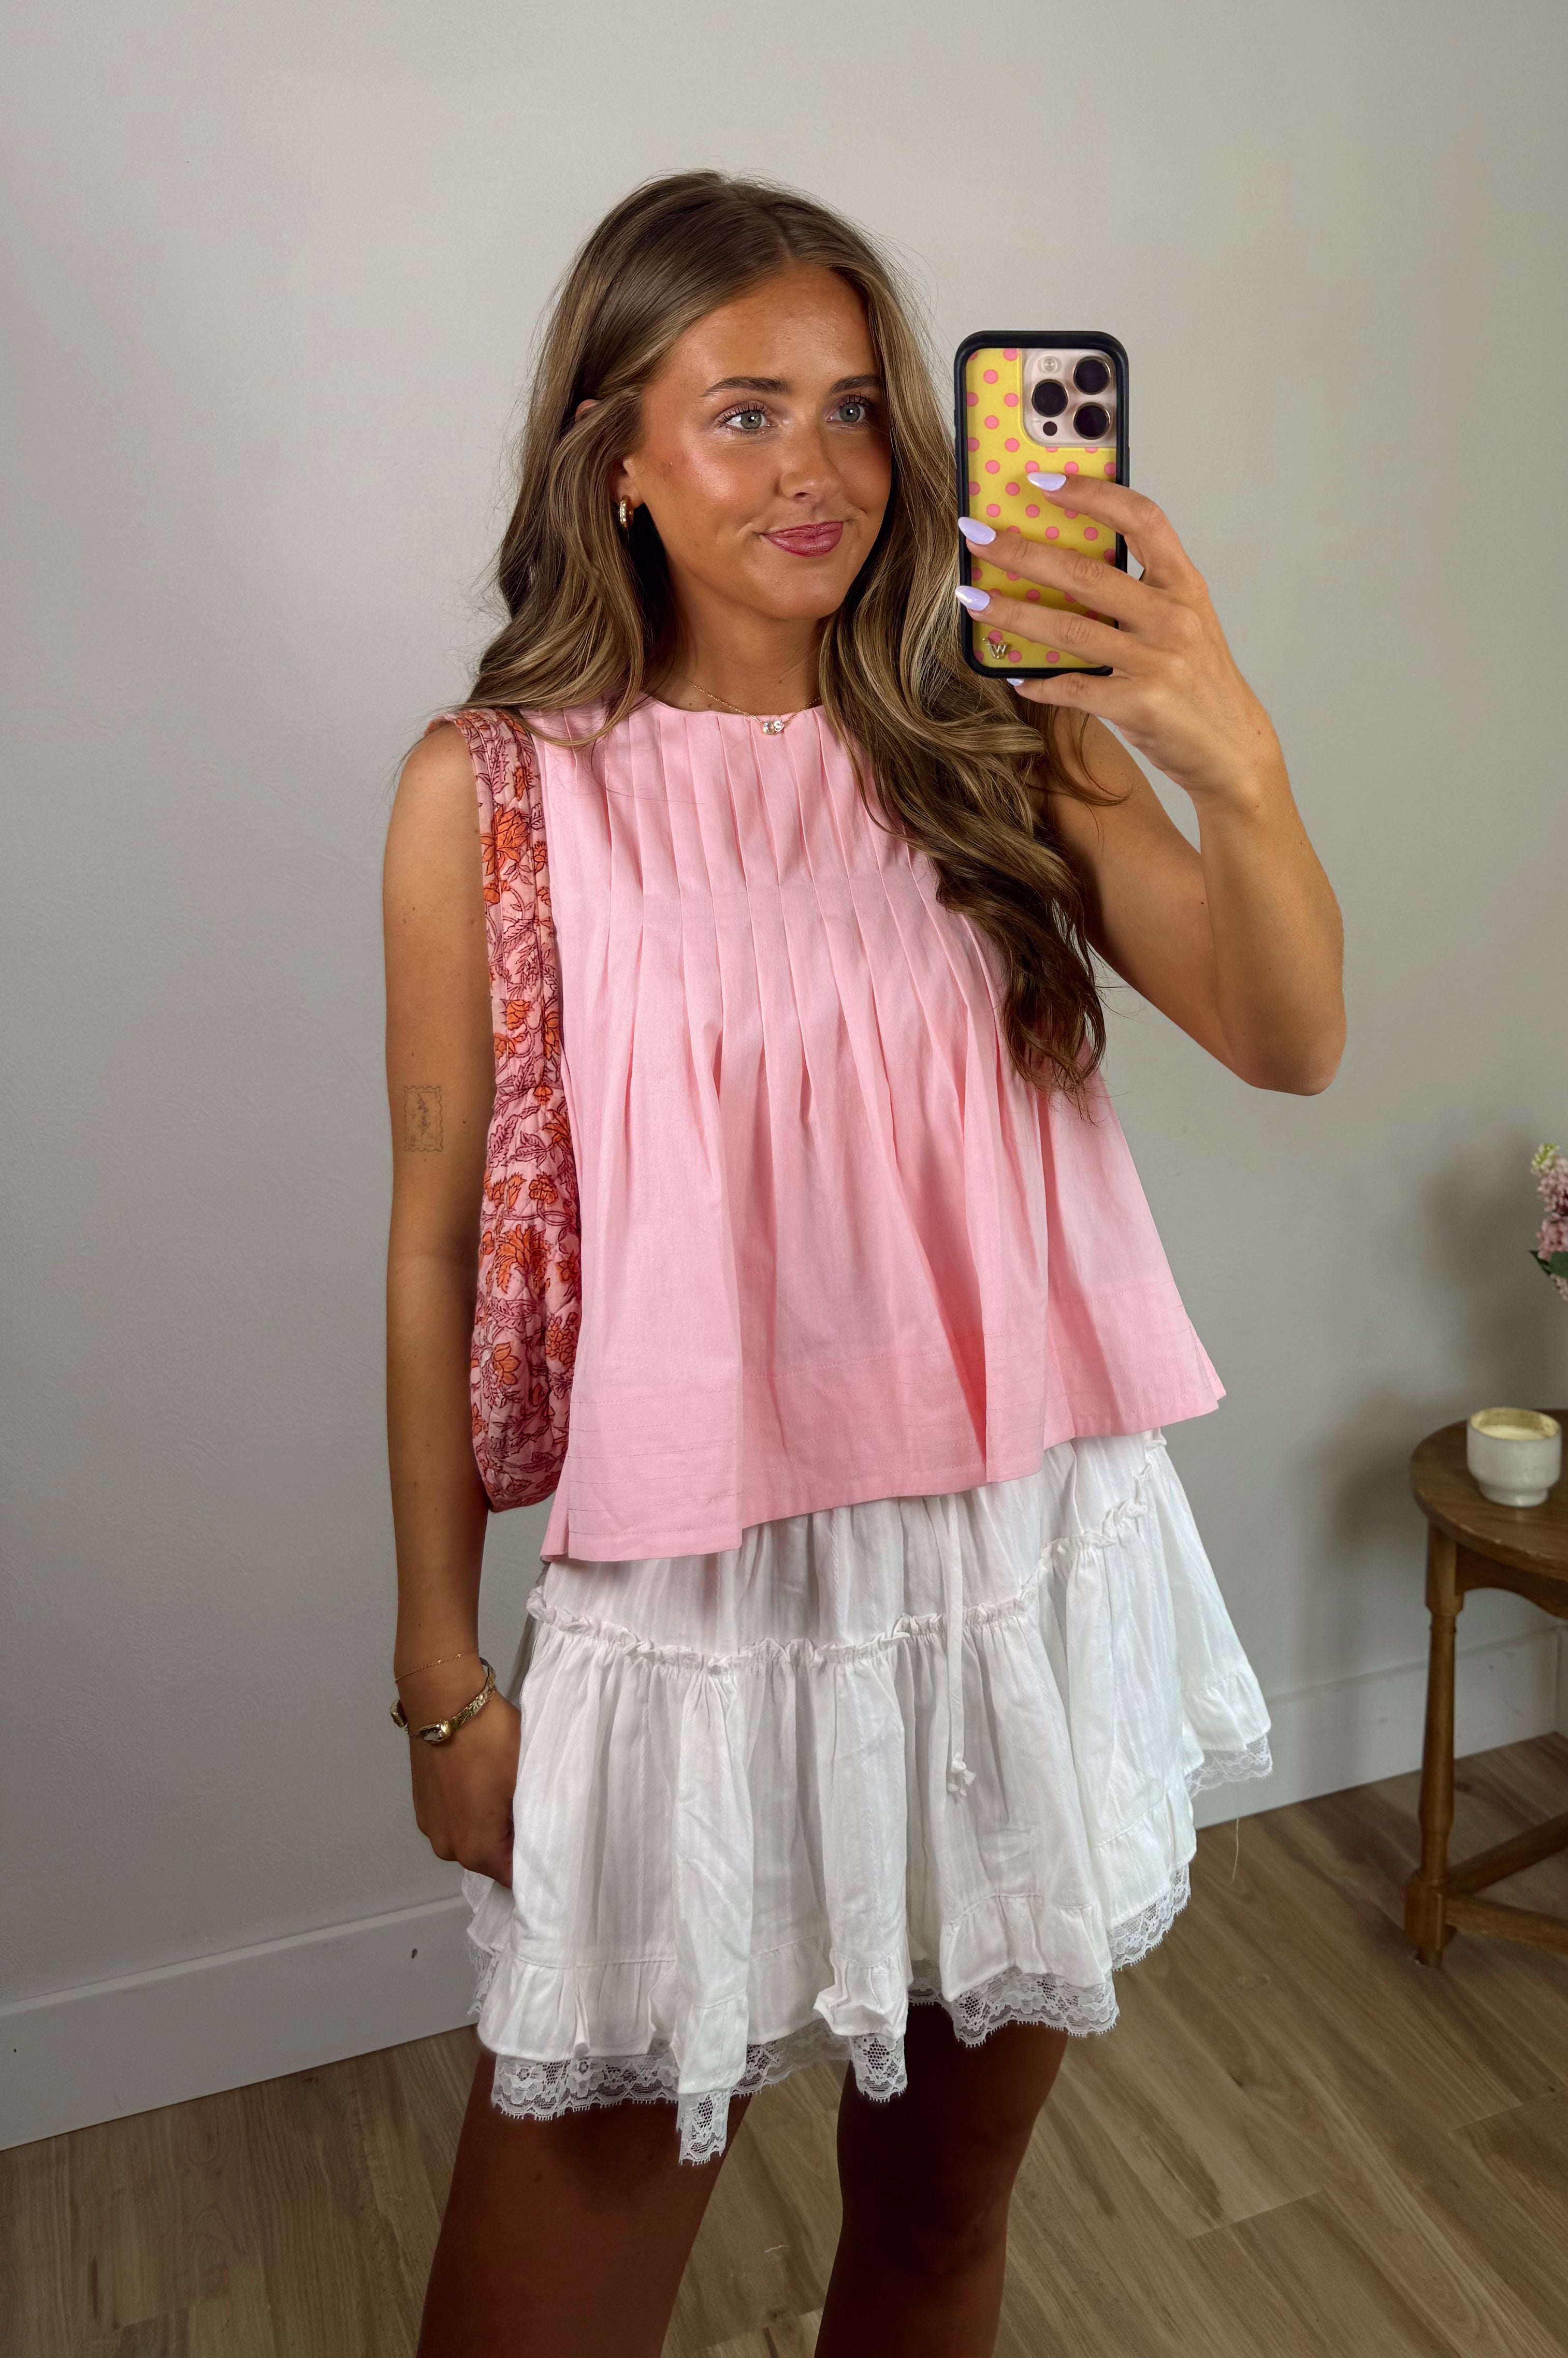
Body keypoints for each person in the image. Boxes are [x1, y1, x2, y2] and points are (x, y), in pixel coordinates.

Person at [382, 171, 1344, 2358]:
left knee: (937, 2222)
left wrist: (1231, 754)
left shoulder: (1000, 738)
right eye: (741, 413)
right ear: (615, 460)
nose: (814, 469)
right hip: (697, 1614)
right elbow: (433, 1245)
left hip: (1016, 1571)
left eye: (849, 410)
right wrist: (443, 1670)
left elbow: (1289, 1039)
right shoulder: (495, 794)